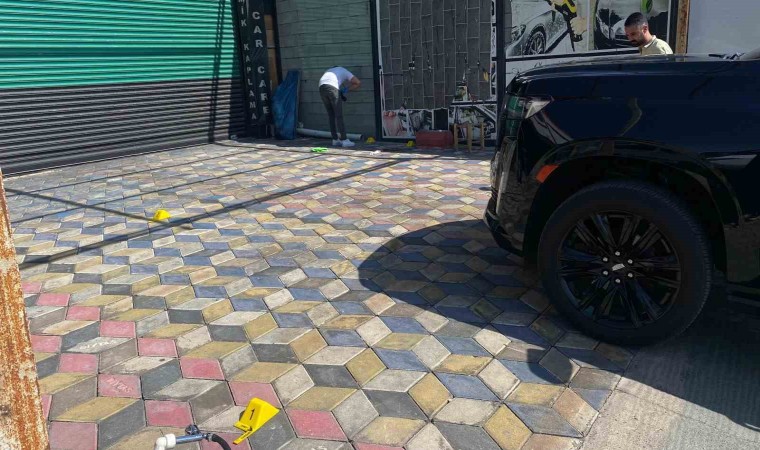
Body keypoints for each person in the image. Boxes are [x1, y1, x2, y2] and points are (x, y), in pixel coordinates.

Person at [318, 67, 361, 147]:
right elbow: (357, 82)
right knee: (339, 115)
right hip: (332, 87)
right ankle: (345, 140)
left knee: (331, 115)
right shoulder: (344, 71)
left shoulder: (330, 70)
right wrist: (346, 89)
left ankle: (335, 139)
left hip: (321, 87)